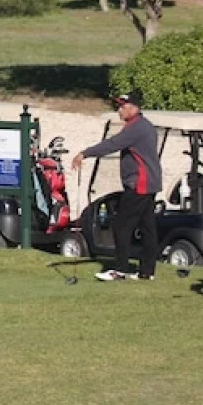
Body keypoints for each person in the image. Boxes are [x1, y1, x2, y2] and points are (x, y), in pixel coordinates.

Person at [73, 90, 162, 282]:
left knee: (122, 225)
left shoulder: (136, 128)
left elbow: (112, 144)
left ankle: (120, 270)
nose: (119, 110)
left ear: (134, 107)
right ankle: (147, 271)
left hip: (140, 183)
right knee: (147, 227)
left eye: (123, 106)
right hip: (149, 184)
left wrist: (84, 153)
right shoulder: (142, 125)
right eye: (119, 106)